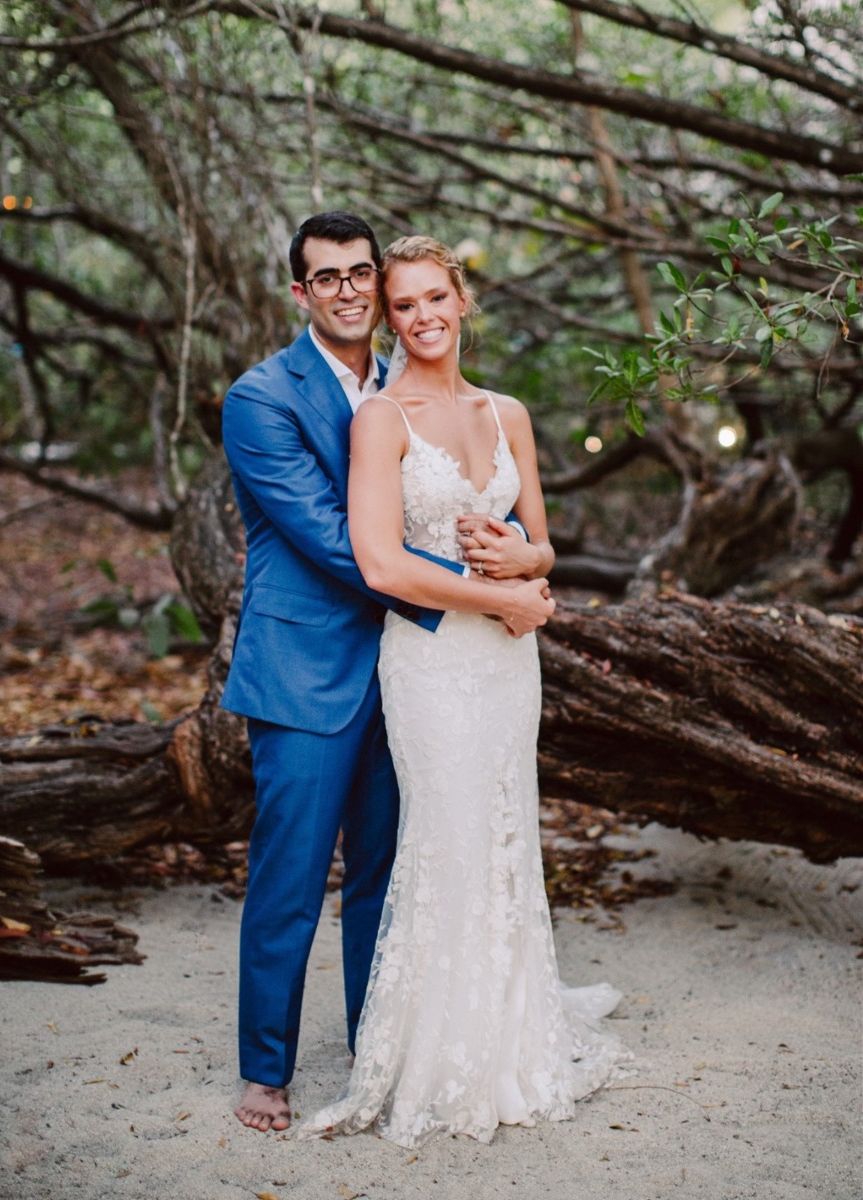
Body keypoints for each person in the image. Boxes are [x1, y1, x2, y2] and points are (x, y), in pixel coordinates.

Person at [221, 213, 554, 1133]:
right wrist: (490, 594)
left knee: (388, 870)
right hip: (308, 666)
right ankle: (265, 1071)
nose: (348, 291)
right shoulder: (261, 398)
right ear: (299, 292)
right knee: (291, 876)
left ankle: (386, 1046)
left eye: (360, 274)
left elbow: (483, 517)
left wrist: (522, 559)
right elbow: (341, 543)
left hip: (414, 669)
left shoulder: (405, 374)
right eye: (324, 278)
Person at [299, 236, 631, 1148]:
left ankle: (514, 1032)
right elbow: (380, 561)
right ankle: (437, 1056)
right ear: (390, 315)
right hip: (434, 665)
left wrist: (533, 564)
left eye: (435, 297)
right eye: (403, 304)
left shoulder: (507, 411)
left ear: (461, 299)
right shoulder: (380, 419)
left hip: (507, 665)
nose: (422, 316)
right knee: (445, 840)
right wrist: (505, 595)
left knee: (505, 829)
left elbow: (542, 542)